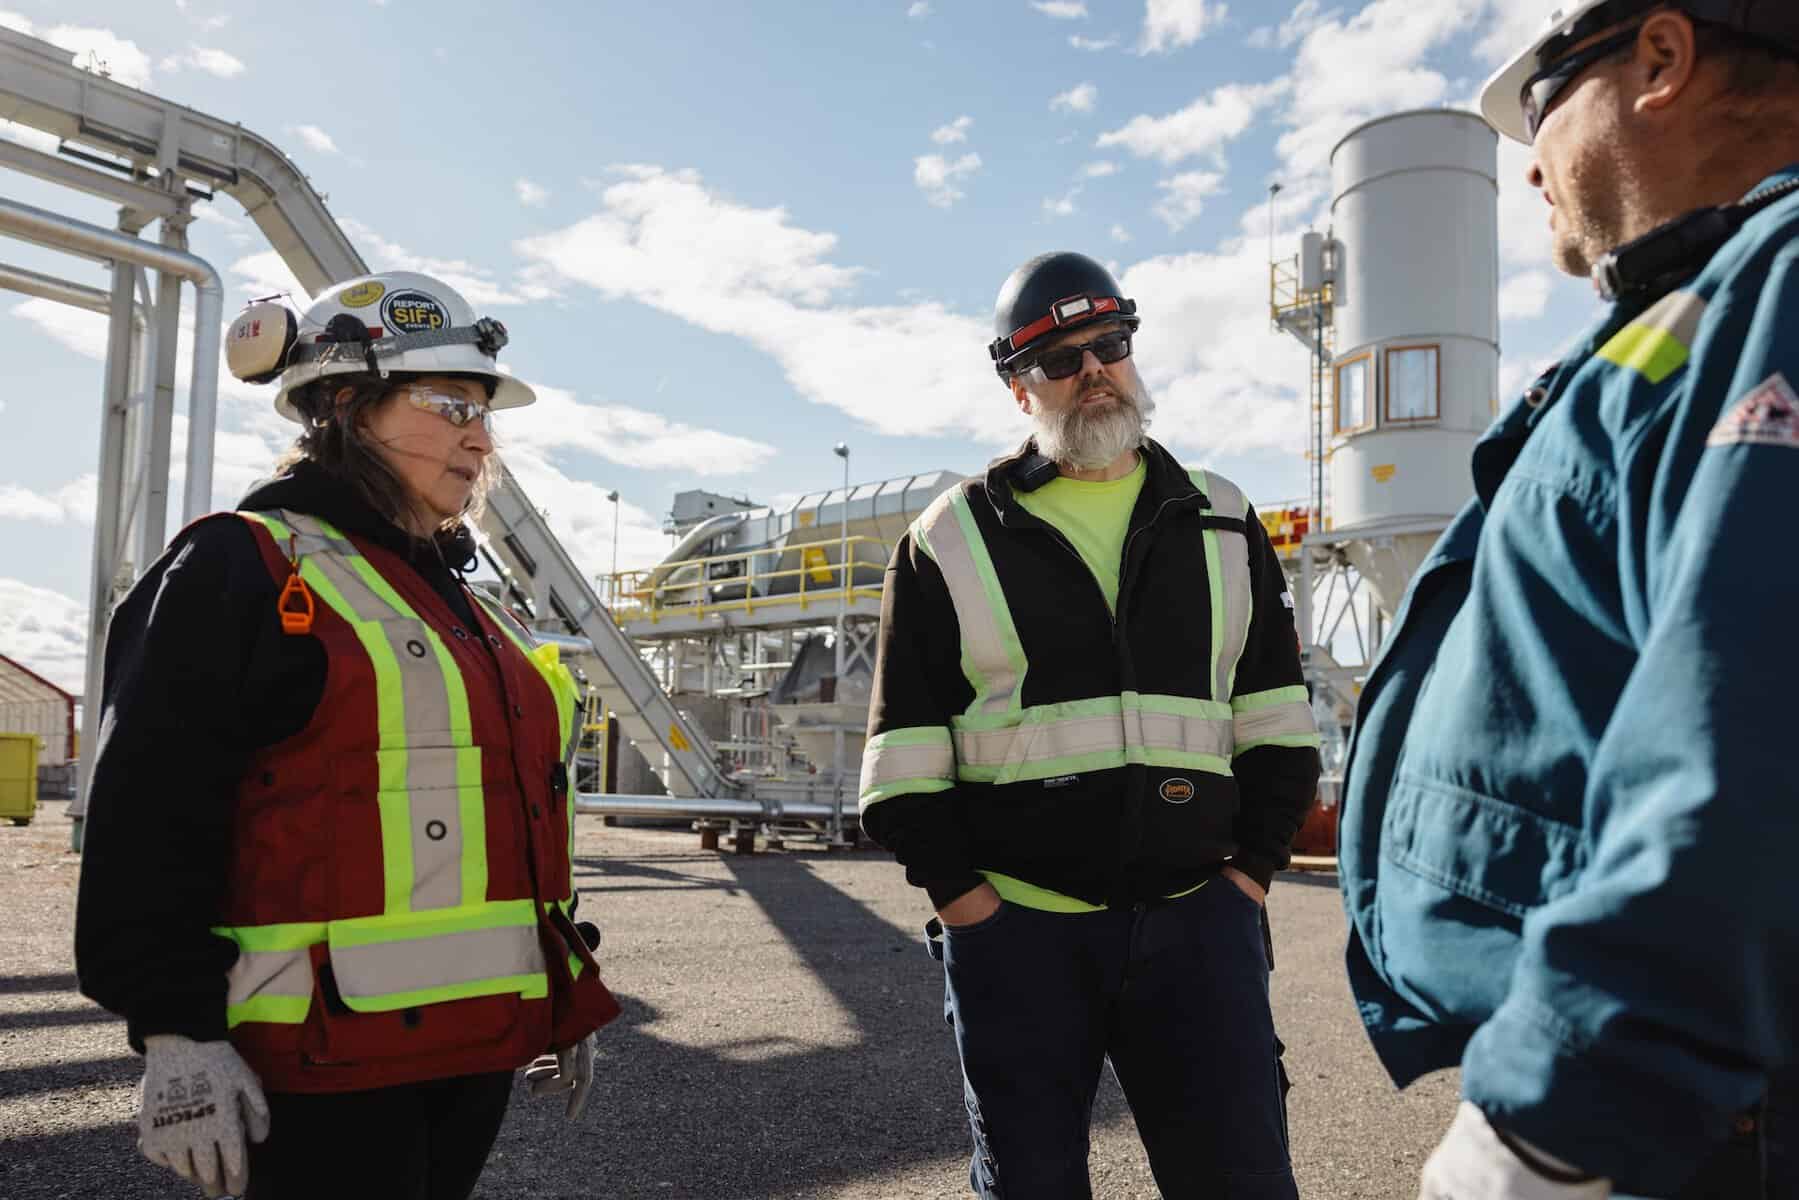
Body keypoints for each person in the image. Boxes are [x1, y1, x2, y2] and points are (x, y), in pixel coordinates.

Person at [1337, 4, 1799, 1197]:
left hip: (1683, 1126)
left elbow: (1750, 732)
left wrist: (1553, 1121)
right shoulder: (1697, 312)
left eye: (1537, 106)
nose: (1530, 164)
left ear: (1660, 59)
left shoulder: (1780, 286)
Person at [74, 271, 621, 1199]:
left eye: (485, 413)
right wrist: (175, 1032)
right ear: (344, 405)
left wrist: (559, 994)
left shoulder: (458, 605)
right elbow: (147, 810)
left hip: (471, 1053)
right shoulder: (240, 568)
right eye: (450, 405)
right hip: (314, 1070)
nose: (480, 439)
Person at [859, 251, 1322, 1198]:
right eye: (1062, 359)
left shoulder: (1223, 521)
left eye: (1109, 344)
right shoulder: (949, 539)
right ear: (1018, 388)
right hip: (1020, 935)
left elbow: (1276, 722)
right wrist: (968, 908)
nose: (1094, 370)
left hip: (1202, 925)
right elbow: (901, 761)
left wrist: (1248, 878)